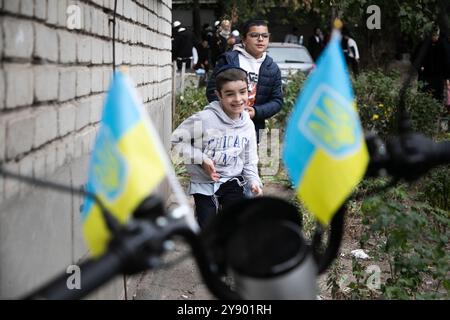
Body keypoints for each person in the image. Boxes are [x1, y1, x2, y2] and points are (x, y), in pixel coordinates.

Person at [172, 66, 263, 228]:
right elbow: (175, 141)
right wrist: (201, 159)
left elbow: (249, 160)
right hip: (204, 183)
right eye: (229, 94)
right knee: (208, 228)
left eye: (242, 92)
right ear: (219, 95)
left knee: (235, 224)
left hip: (232, 180)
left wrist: (254, 181)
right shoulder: (205, 119)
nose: (238, 99)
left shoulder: (247, 125)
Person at [206, 19, 283, 142]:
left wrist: (256, 112)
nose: (260, 39)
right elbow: (212, 91)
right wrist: (230, 111)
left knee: (250, 160)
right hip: (224, 126)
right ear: (244, 38)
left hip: (254, 129)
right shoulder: (229, 60)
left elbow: (277, 101)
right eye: (254, 35)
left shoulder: (272, 68)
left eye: (265, 36)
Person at [412, 26, 450, 104]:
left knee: (437, 96)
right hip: (425, 75)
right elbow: (415, 57)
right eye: (433, 35)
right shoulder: (423, 44)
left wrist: (446, 76)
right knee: (424, 95)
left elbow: (447, 60)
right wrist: (420, 67)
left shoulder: (443, 44)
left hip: (438, 76)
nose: (435, 37)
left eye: (436, 35)